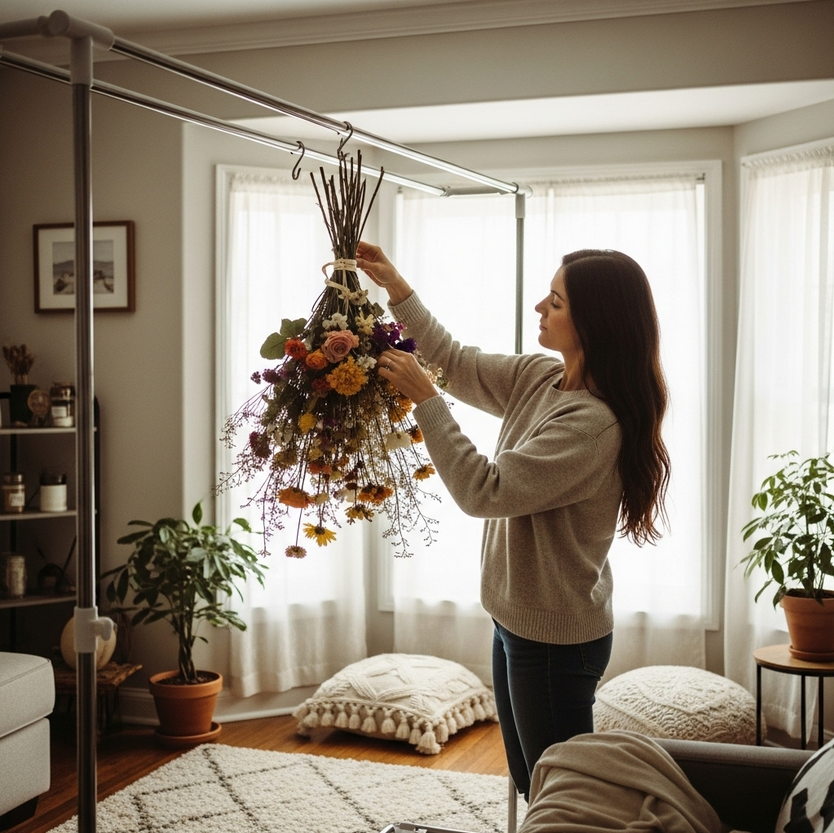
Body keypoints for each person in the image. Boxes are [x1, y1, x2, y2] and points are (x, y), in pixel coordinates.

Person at [355, 241, 671, 800]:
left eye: (556, 302)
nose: (539, 310)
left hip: (555, 641)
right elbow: (452, 362)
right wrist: (396, 289)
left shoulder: (593, 424)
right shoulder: (540, 378)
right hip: (515, 620)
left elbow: (485, 490)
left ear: (594, 322)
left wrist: (427, 402)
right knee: (533, 783)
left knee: (559, 795)